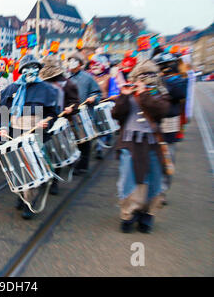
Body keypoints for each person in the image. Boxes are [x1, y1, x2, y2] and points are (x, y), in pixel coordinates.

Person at [112, 59, 170, 233]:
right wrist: (124, 95)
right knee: (128, 179)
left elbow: (162, 111)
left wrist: (144, 94)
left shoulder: (161, 93)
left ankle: (147, 215)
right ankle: (128, 214)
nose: (145, 79)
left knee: (153, 179)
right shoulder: (130, 92)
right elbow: (116, 114)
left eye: (149, 75)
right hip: (130, 142)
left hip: (152, 143)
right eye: (142, 76)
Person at [0, 54, 59, 220]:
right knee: (17, 167)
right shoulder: (11, 89)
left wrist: (47, 121)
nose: (31, 71)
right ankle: (21, 195)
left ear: (39, 70)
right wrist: (3, 127)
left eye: (34, 67)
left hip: (36, 133)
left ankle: (29, 200)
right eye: (27, 68)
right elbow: (3, 111)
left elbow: (53, 113)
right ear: (21, 70)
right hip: (16, 132)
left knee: (32, 167)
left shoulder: (47, 89)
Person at [39, 54, 80, 195]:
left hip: (59, 122)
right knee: (43, 153)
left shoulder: (68, 84)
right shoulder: (40, 83)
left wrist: (71, 108)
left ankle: (54, 182)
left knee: (56, 152)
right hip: (43, 122)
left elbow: (75, 102)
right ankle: (45, 179)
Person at [152, 52, 188, 198]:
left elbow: (179, 93)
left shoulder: (179, 80)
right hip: (154, 119)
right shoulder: (156, 79)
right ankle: (153, 187)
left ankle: (162, 190)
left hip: (170, 120)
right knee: (152, 155)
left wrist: (163, 82)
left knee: (168, 156)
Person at [67, 52, 102, 175]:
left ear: (80, 64)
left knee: (85, 142)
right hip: (70, 115)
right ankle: (74, 162)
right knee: (72, 140)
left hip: (84, 114)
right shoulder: (66, 78)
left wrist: (93, 98)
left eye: (74, 62)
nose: (71, 64)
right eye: (70, 61)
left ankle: (82, 166)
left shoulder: (88, 78)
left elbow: (97, 94)